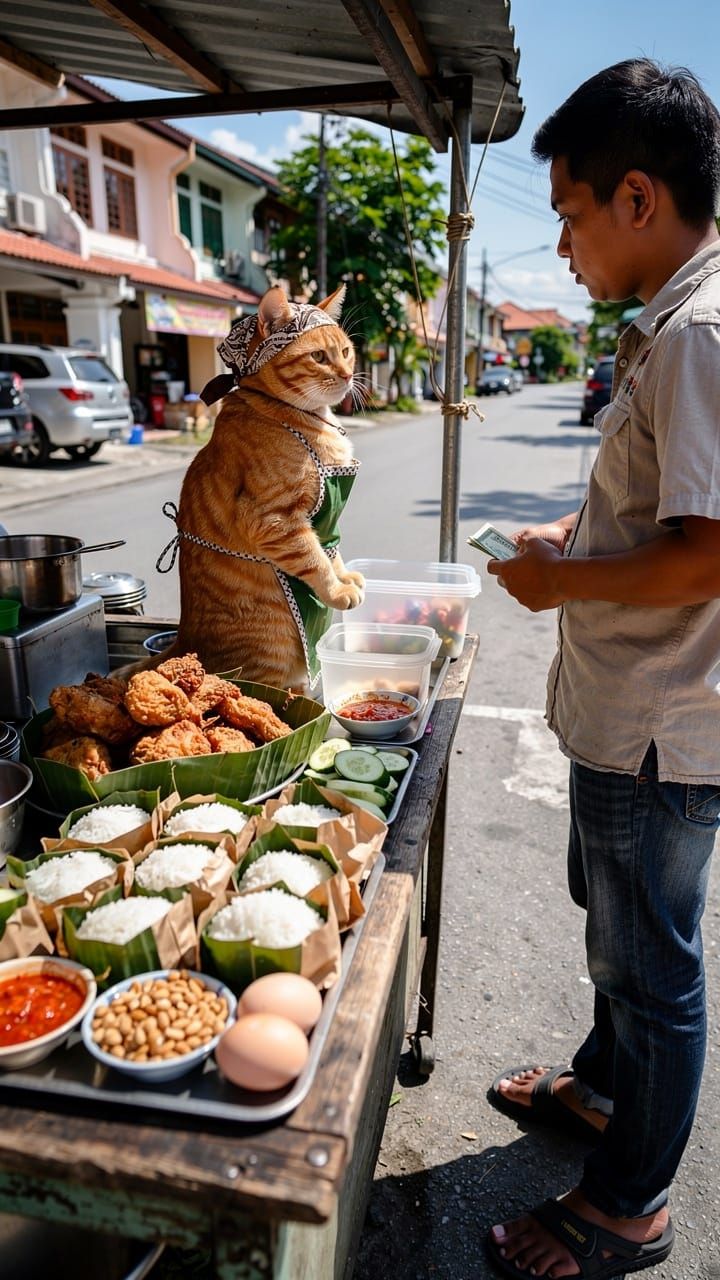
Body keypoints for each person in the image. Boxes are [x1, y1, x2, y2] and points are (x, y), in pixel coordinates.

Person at [484, 59, 720, 1280]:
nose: (564, 242)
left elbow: (704, 562)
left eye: (570, 213)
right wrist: (575, 544)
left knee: (652, 965)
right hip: (624, 710)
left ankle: (630, 1202)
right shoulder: (669, 325)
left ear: (638, 197)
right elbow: (660, 522)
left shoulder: (700, 332)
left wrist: (557, 584)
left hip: (659, 727)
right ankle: (595, 1087)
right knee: (618, 935)